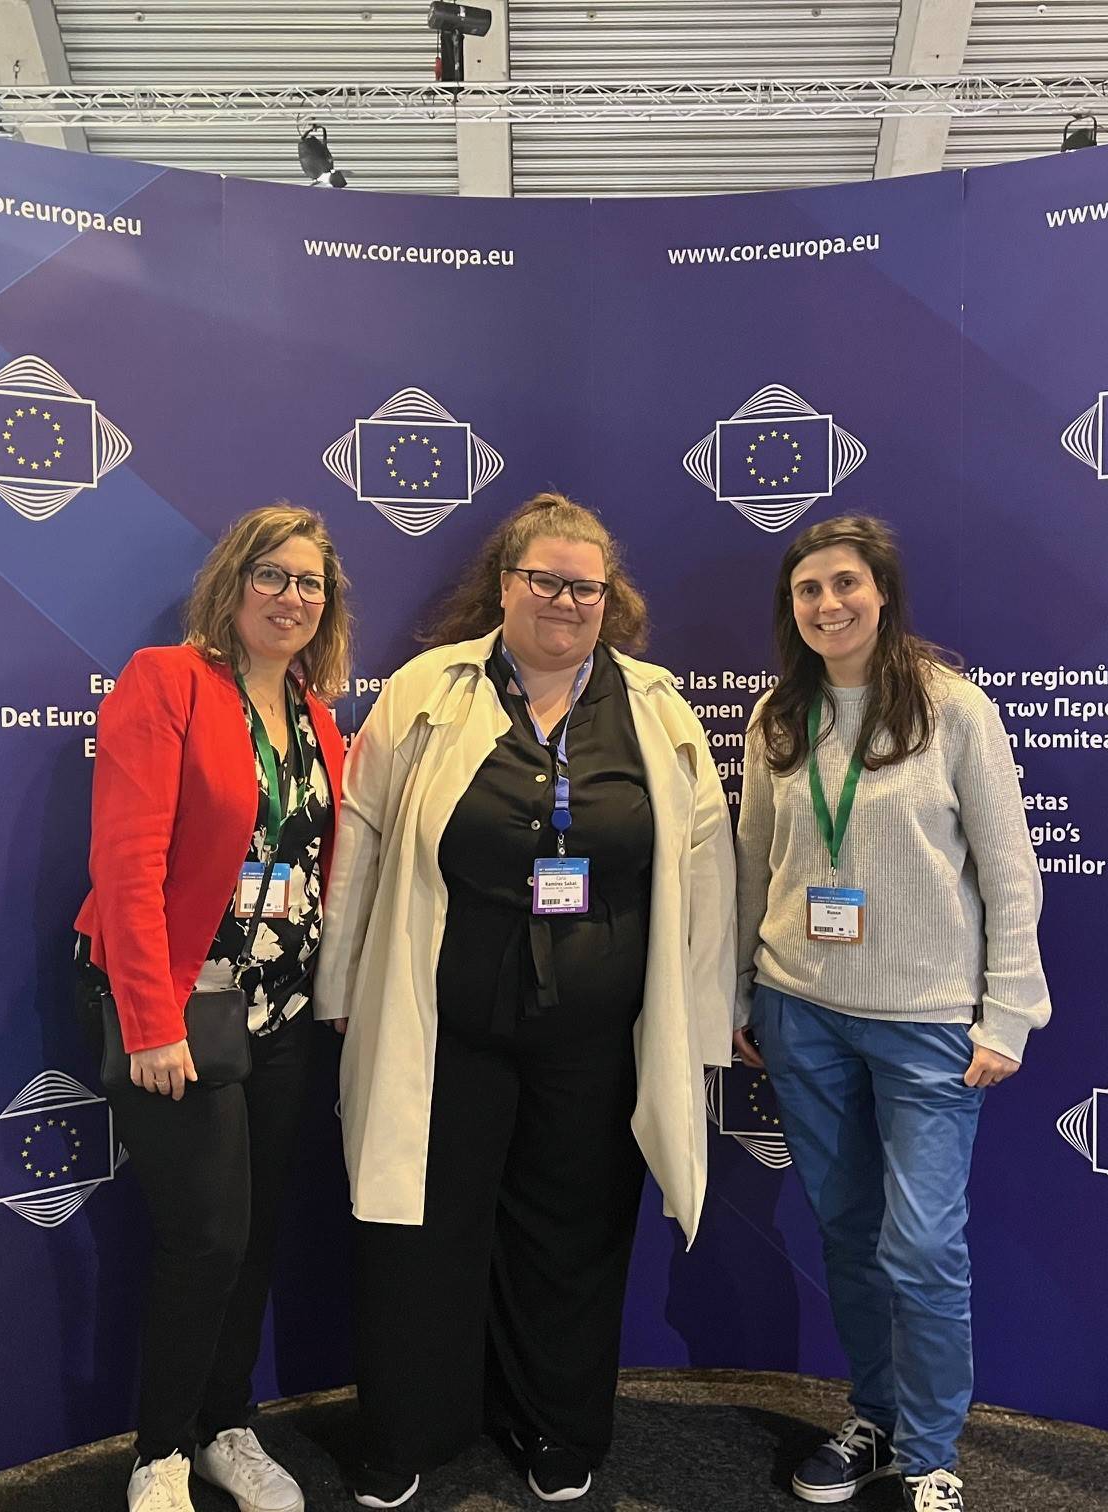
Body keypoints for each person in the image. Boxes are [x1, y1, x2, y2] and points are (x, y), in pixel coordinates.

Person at [315, 492, 735, 1508]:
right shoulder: (426, 691)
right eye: (544, 580)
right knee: (420, 1229)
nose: (564, 600)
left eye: (583, 586)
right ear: (505, 584)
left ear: (609, 597)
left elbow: (707, 862)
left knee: (574, 1236)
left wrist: (713, 1016)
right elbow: (363, 845)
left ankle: (556, 1427)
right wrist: (337, 994)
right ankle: (409, 1433)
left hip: (597, 1038)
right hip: (445, 1024)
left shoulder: (657, 706)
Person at [733, 515, 1050, 1512]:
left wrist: (1008, 1014)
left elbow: (1008, 871)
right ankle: (872, 1418)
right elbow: (752, 867)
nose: (827, 605)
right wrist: (739, 990)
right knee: (847, 1231)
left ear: (883, 594)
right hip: (801, 1011)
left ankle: (931, 1456)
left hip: (926, 1025)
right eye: (807, 591)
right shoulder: (777, 716)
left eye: (844, 585)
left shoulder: (954, 710)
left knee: (921, 1246)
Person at [73, 505, 353, 1512]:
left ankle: (228, 1425)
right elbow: (127, 860)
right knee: (208, 1238)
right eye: (273, 576)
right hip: (182, 1005)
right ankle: (159, 1452)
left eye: (311, 583)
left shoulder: (320, 717)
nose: (292, 596)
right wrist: (149, 1017)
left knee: (258, 1228)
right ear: (234, 585)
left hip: (279, 1013)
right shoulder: (169, 682)